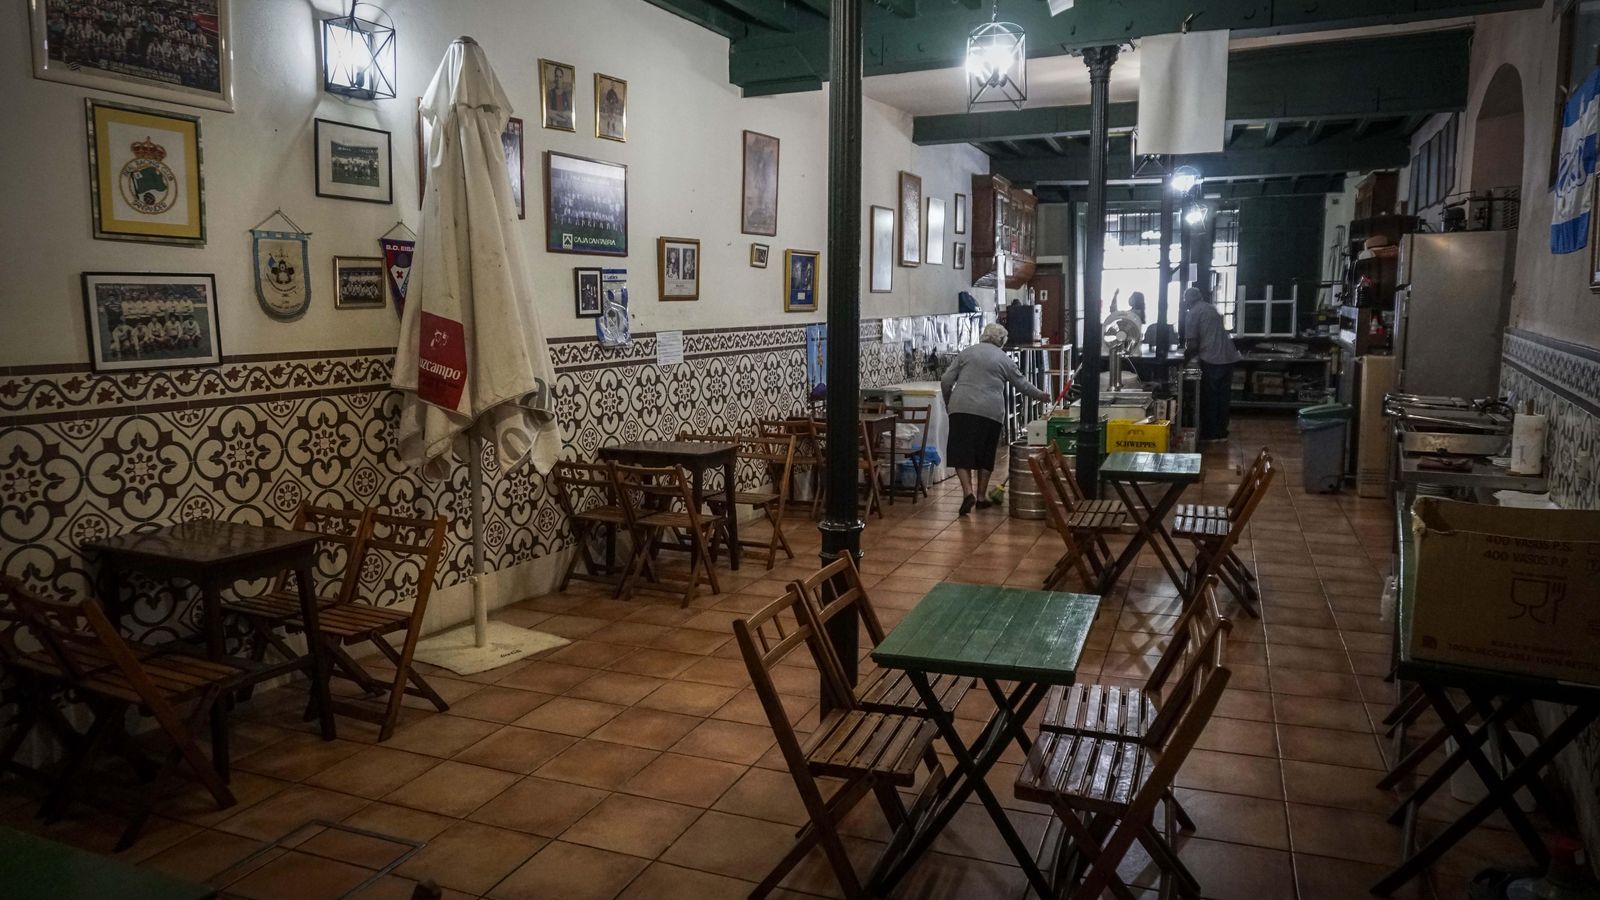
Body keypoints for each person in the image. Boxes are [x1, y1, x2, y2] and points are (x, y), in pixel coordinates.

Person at [942, 323, 1052, 516]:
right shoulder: (1004, 359)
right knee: (985, 453)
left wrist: (948, 401)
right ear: (1001, 341)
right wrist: (1041, 395)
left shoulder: (967, 353)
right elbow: (1022, 384)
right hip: (990, 411)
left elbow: (946, 380)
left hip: (961, 408)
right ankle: (981, 496)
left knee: (961, 452)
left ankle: (968, 493)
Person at [1181, 286, 1242, 443]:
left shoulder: (1193, 313)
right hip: (1228, 357)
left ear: (1187, 301)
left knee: (1210, 397)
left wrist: (1183, 360)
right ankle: (1222, 432)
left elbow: (1192, 344)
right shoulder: (1211, 308)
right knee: (1223, 397)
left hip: (1212, 359)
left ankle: (1211, 434)